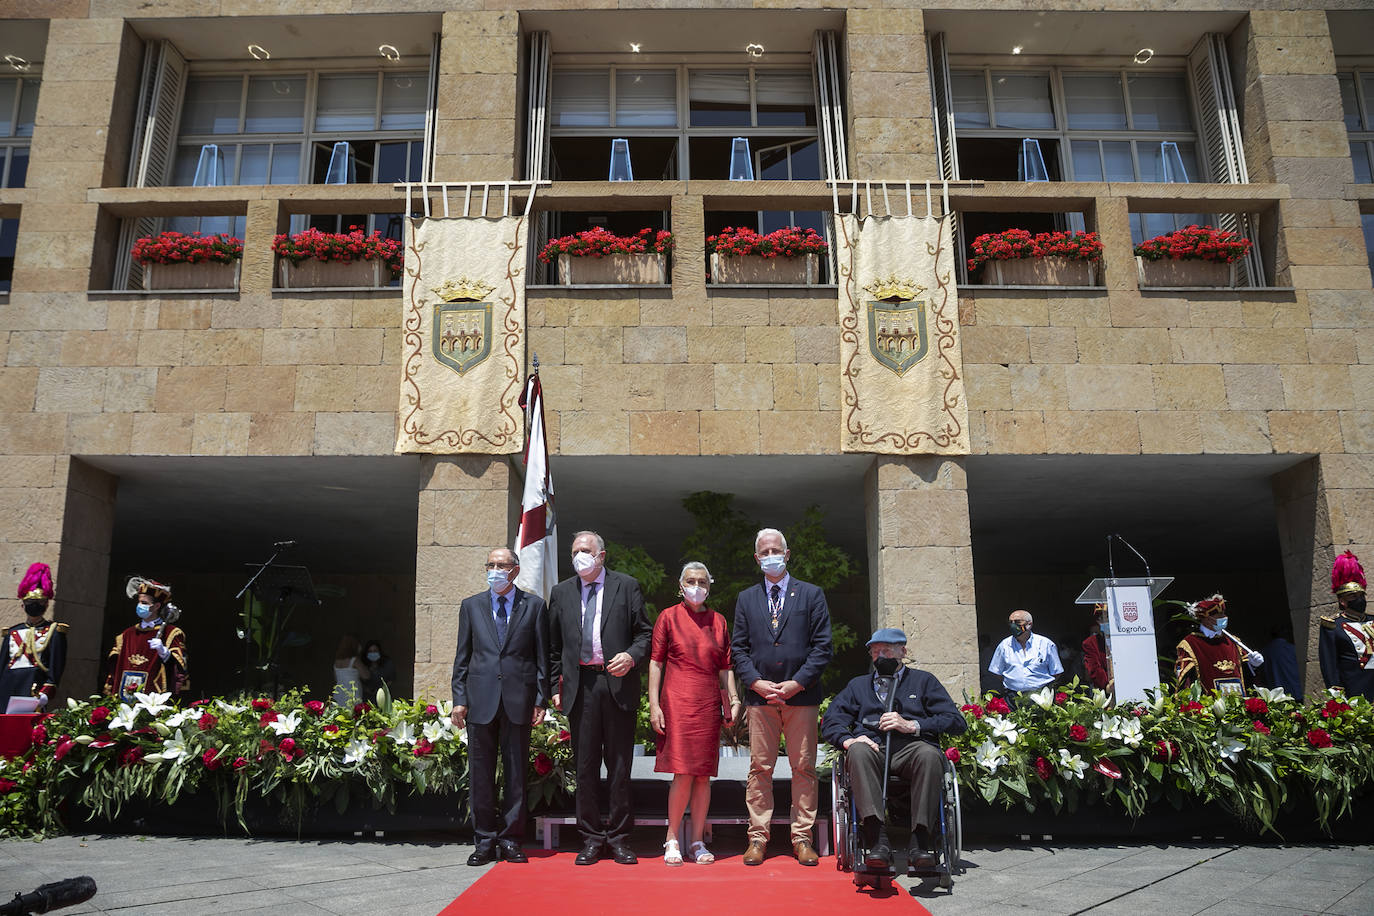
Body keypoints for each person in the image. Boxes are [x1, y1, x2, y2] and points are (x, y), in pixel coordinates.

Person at [821, 628, 966, 872]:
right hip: (872, 749)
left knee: (930, 755)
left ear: (903, 652)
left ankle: (920, 841)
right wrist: (849, 740)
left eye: (886, 650)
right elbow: (831, 720)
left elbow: (956, 721)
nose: (880, 656)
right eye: (875, 651)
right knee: (857, 752)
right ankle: (877, 839)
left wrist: (912, 725)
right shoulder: (857, 686)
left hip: (911, 749)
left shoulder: (923, 681)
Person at [549, 530, 652, 865]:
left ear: (602, 555)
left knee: (620, 766)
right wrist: (553, 687)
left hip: (617, 684)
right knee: (585, 766)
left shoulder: (626, 586)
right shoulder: (561, 592)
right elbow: (552, 647)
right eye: (576, 550)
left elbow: (645, 634)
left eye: (587, 550)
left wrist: (632, 656)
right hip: (582, 688)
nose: (581, 555)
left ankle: (620, 838)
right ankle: (591, 838)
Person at [731, 527, 832, 867]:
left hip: (800, 697)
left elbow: (822, 648)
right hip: (760, 699)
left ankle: (802, 837)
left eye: (776, 550)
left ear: (787, 554)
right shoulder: (747, 598)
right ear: (756, 557)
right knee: (760, 768)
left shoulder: (811, 595)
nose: (770, 555)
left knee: (803, 766)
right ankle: (757, 838)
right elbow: (738, 649)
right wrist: (756, 682)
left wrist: (796, 683)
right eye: (764, 551)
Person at [451, 547, 548, 865]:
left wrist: (540, 699)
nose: (495, 570)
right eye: (490, 565)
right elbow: (462, 657)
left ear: (515, 570)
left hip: (518, 699)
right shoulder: (471, 606)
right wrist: (459, 700)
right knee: (481, 774)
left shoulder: (534, 606)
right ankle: (484, 840)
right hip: (480, 701)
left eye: (502, 565)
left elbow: (541, 659)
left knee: (516, 773)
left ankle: (511, 839)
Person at [648, 562, 741, 866]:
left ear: (709, 586)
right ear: (681, 585)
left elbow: (726, 667)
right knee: (682, 772)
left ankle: (698, 840)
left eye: (702, 581)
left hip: (707, 701)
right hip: (677, 699)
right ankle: (672, 837)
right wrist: (654, 705)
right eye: (691, 581)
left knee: (703, 775)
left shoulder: (718, 621)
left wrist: (734, 700)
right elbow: (656, 663)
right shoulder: (668, 617)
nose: (696, 586)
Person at [104, 577, 188, 703]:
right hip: (124, 697)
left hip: (154, 697)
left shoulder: (171, 633)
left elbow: (180, 669)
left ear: (157, 606)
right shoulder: (126, 635)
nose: (140, 606)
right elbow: (114, 668)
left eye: (144, 603)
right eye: (139, 602)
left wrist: (165, 653)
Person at [1, 563, 68, 710]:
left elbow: (56, 666)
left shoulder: (55, 631)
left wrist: (46, 692)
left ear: (46, 605)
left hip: (33, 687)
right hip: (7, 686)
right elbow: (2, 665)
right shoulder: (11, 632)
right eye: (30, 602)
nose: (34, 605)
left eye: (39, 602)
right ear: (23, 605)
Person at [1174, 594, 1263, 694]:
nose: (1225, 618)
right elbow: (1186, 680)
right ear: (1207, 619)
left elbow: (1246, 675)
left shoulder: (1234, 642)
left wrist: (1253, 664)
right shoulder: (1190, 644)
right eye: (1220, 615)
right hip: (1208, 705)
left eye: (1224, 614)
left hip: (1239, 703)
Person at [1319, 550, 1373, 699]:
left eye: (1361, 595)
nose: (1359, 599)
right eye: (1353, 596)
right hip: (1356, 689)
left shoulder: (1372, 619)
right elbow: (1329, 664)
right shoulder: (1332, 626)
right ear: (1343, 601)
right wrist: (1337, 695)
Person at [988, 609, 1062, 693]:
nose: (1013, 625)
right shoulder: (1004, 645)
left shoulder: (1046, 644)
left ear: (1029, 624)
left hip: (1041, 695)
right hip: (1013, 695)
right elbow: (997, 671)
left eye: (1017, 622)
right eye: (1010, 622)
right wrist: (1014, 684)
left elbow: (1056, 672)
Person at [1082, 604, 1112, 691]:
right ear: (1099, 621)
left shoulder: (1127, 639)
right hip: (1106, 689)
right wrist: (1107, 685)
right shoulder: (1090, 643)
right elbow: (1094, 668)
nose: (1108, 621)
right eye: (1104, 618)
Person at [332, 635, 365, 706]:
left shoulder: (337, 662)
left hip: (339, 692)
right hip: (353, 692)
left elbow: (336, 678)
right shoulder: (355, 660)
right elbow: (366, 675)